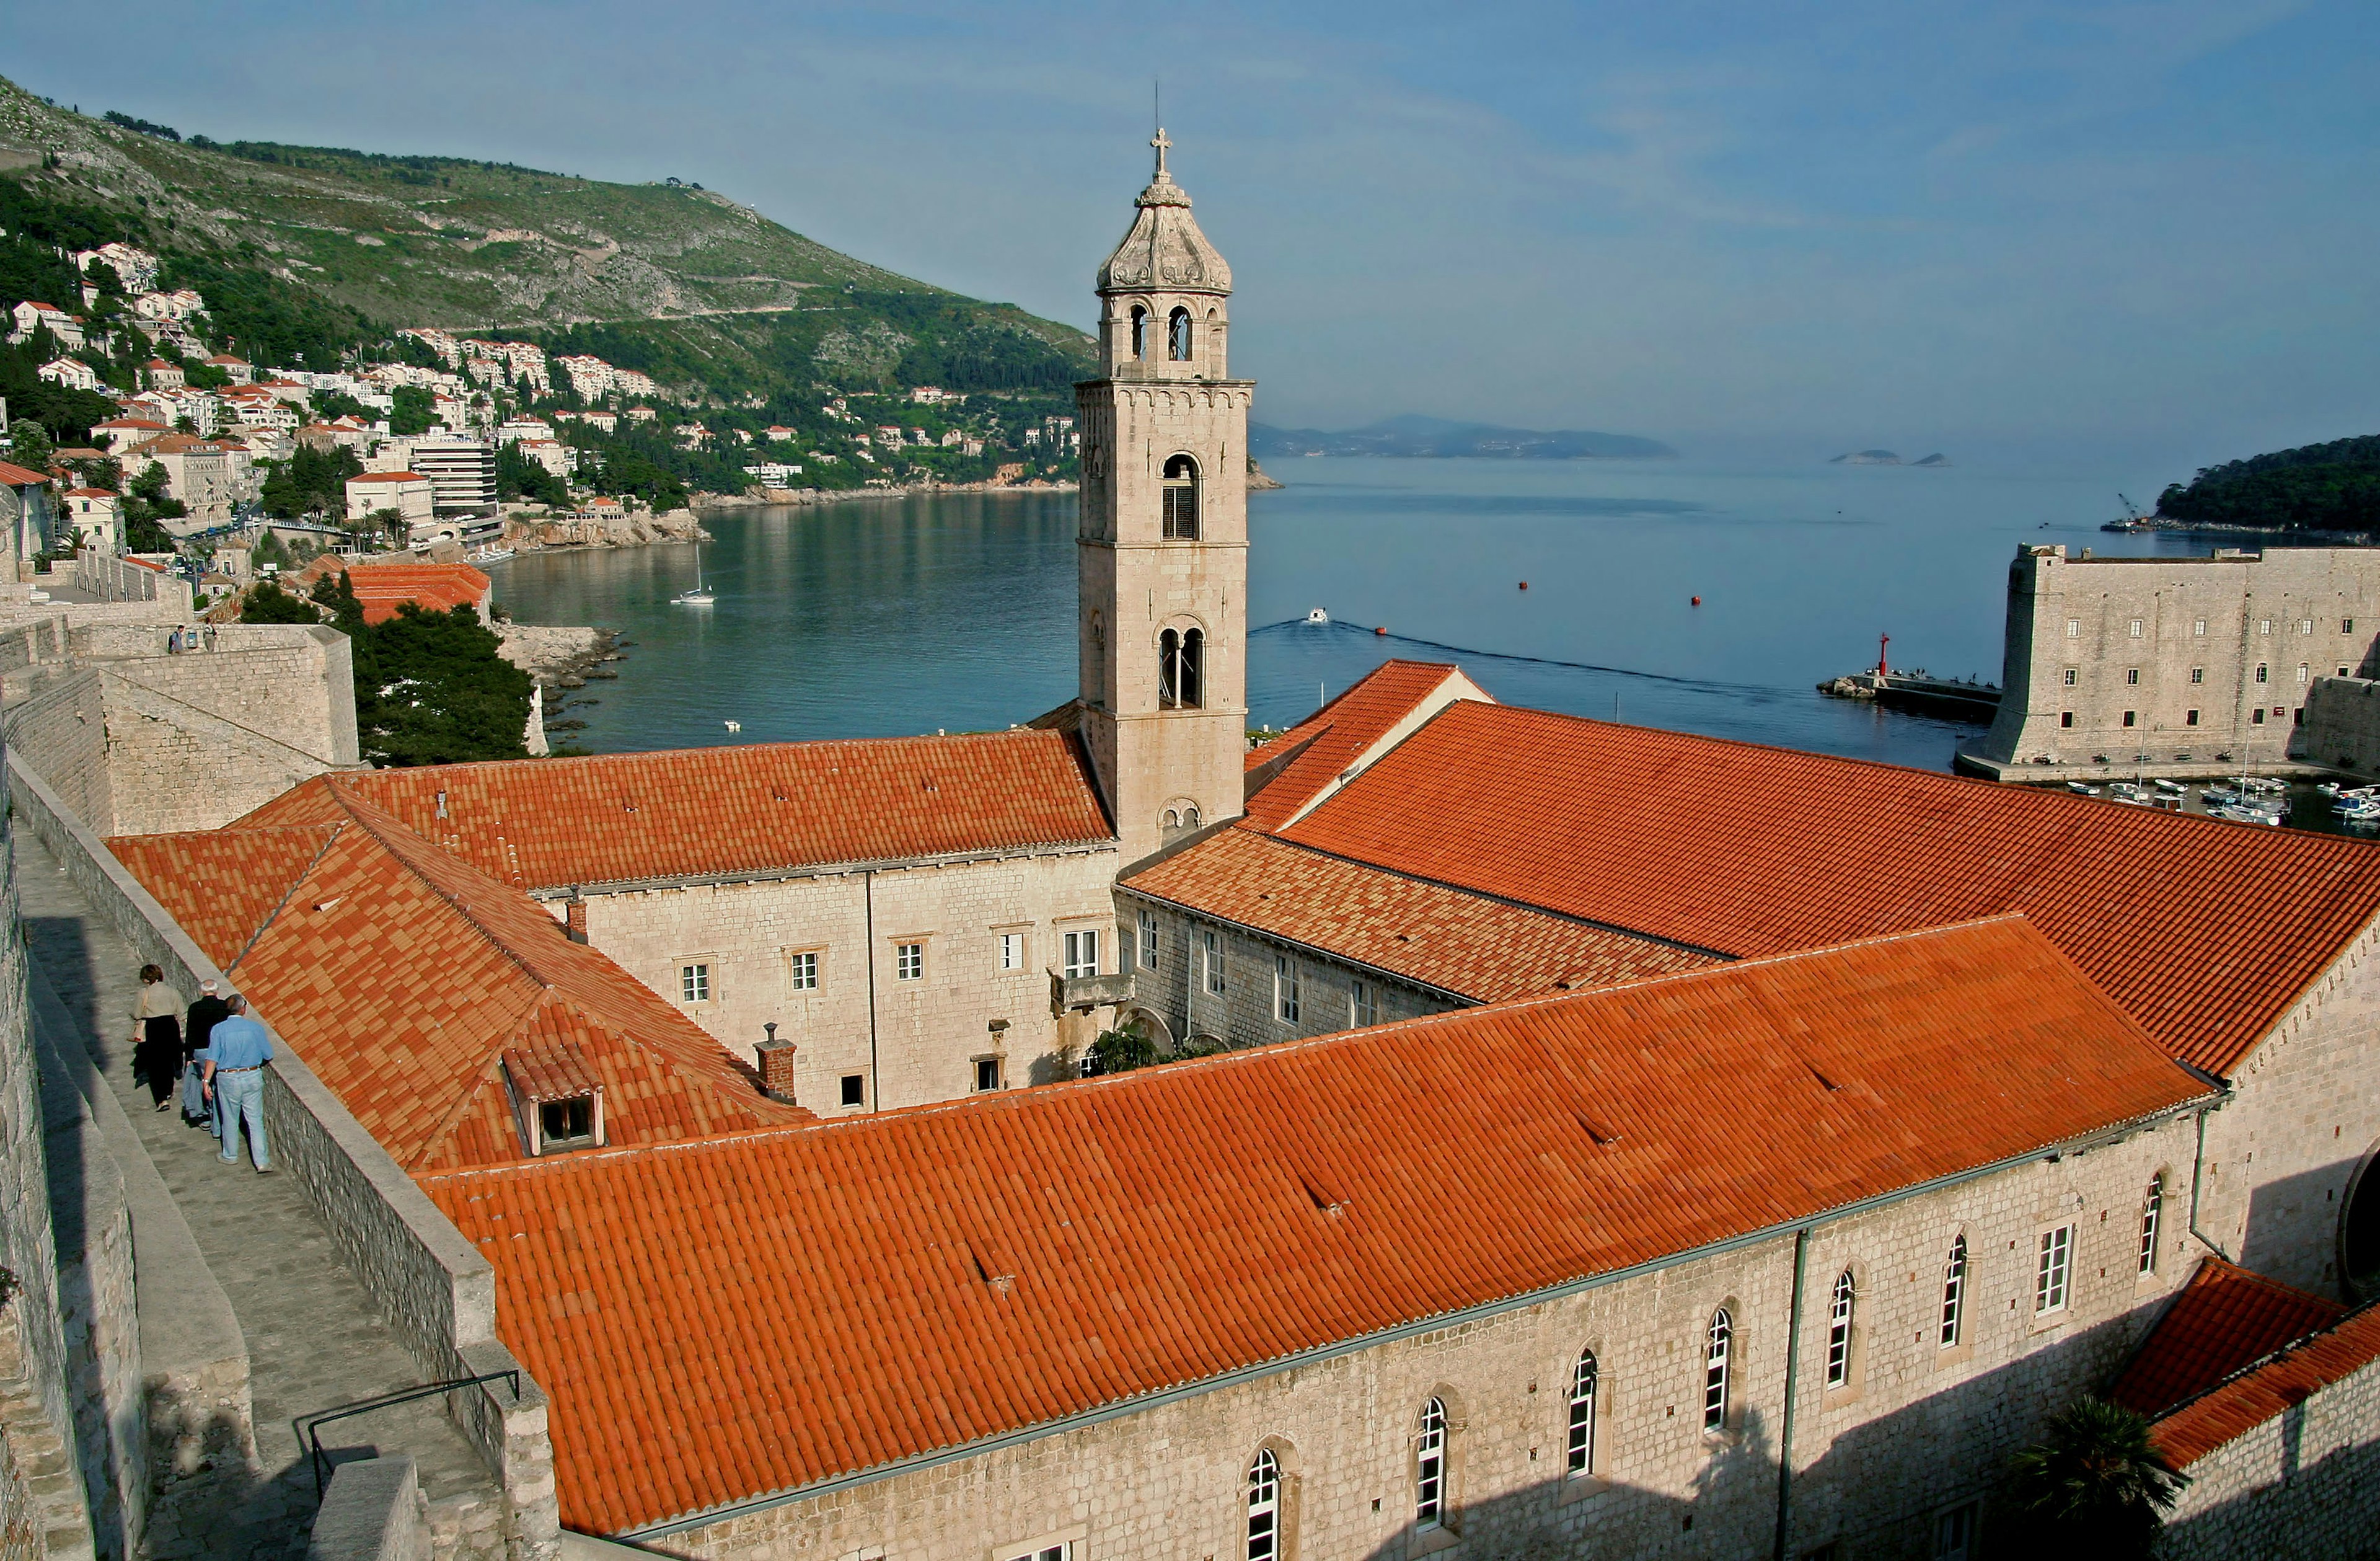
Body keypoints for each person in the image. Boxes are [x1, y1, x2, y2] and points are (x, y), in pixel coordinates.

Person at [201, 994, 273, 1172]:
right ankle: (262, 1161)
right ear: (243, 1009)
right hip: (252, 1075)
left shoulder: (218, 1030)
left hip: (228, 1077)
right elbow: (268, 1054)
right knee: (255, 1119)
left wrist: (206, 1082)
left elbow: (212, 1058)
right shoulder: (255, 1028)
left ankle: (230, 1155)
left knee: (230, 1118)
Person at [129, 965, 184, 1113]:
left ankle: (161, 1099)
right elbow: (181, 1012)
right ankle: (168, 1089)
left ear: (147, 979)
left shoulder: (144, 993)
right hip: (170, 1026)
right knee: (168, 1060)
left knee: (155, 1065)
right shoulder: (172, 991)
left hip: (153, 1028)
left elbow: (136, 1013)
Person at [182, 979, 232, 1130]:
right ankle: (218, 1125)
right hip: (221, 1051)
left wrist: (189, 1056)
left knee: (203, 1082)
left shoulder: (194, 1008)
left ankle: (206, 1117)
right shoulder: (224, 1007)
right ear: (216, 992)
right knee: (217, 1086)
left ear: (202, 992)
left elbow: (190, 1033)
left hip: (201, 1052)